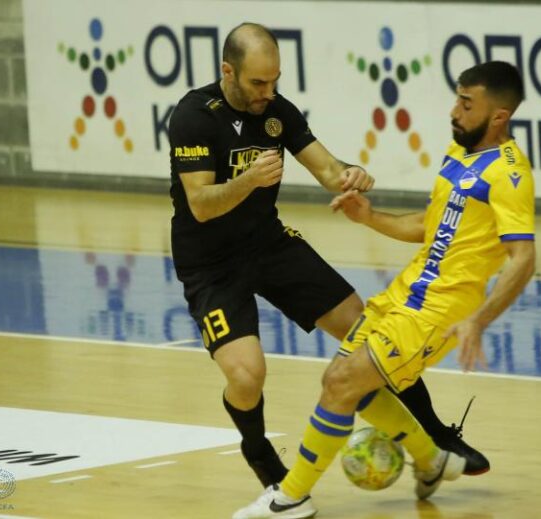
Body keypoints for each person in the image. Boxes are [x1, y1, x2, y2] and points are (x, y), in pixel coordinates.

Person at [168, 22, 488, 493]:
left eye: (275, 81)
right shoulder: (194, 116)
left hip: (270, 244)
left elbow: (327, 168)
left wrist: (351, 176)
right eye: (258, 83)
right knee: (246, 374)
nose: (267, 93)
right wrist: (249, 181)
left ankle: (435, 438)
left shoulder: (277, 111)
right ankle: (258, 452)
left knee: (367, 332)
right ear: (227, 71)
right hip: (210, 264)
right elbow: (200, 203)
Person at [232, 60, 535, 519]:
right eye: (456, 98)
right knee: (347, 384)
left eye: (466, 104)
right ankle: (432, 461)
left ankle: (288, 498)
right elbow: (427, 226)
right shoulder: (461, 154)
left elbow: (523, 259)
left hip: (437, 312)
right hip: (404, 293)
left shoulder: (510, 175)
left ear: (499, 117)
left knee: (340, 383)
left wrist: (477, 320)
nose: (454, 111)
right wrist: (368, 216)